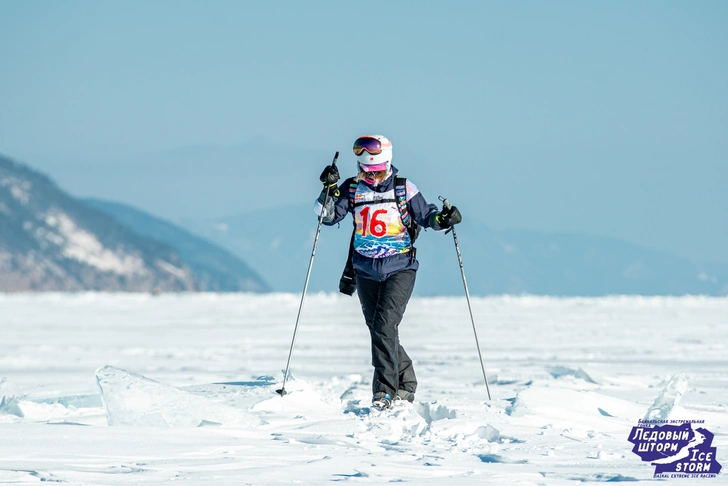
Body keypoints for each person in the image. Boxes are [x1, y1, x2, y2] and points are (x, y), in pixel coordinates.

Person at [314, 135, 462, 409]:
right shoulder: (351, 188)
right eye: (365, 171)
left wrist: (443, 219)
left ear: (388, 165)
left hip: (400, 268)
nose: (371, 177)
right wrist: (329, 189)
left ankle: (384, 391)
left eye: (377, 171)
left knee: (384, 326)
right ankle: (406, 382)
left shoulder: (404, 188)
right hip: (365, 270)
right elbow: (327, 215)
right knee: (379, 330)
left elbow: (426, 216)